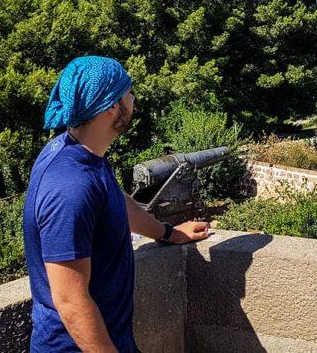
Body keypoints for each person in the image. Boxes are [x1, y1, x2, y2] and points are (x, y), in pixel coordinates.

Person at [23, 56, 211, 353]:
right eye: (128, 91)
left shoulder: (84, 154)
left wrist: (168, 233)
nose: (133, 98)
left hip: (110, 339)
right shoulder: (69, 186)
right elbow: (70, 301)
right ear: (111, 106)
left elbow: (115, 201)